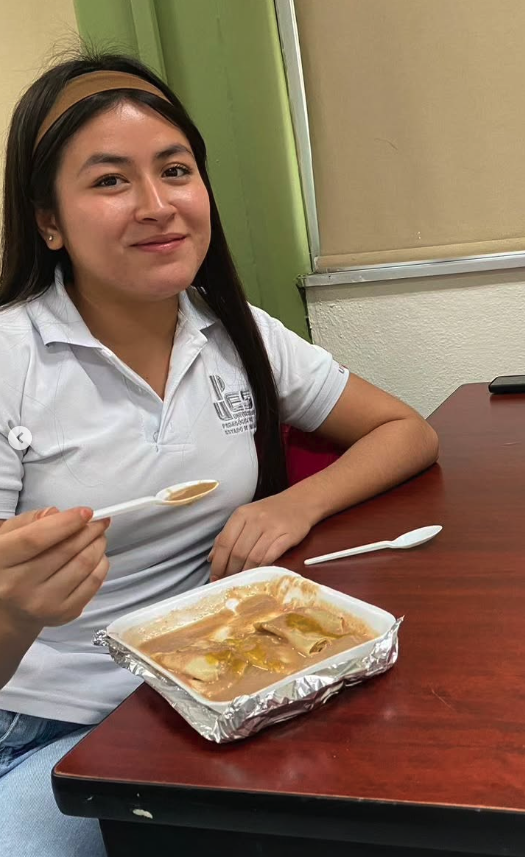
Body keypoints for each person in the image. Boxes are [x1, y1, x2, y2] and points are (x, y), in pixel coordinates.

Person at [0, 51, 439, 855]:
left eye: (175, 169)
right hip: (46, 728)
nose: (157, 205)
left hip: (216, 690)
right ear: (47, 220)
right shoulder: (10, 359)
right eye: (109, 181)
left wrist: (292, 501)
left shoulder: (235, 329)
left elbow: (407, 430)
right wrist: (16, 607)